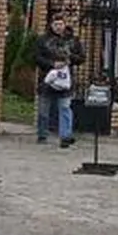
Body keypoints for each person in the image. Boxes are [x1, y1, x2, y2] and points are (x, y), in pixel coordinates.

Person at [33, 15, 84, 149]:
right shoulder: (43, 40)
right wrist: (52, 64)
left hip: (65, 80)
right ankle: (42, 134)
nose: (58, 27)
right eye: (55, 24)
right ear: (51, 25)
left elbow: (81, 58)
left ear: (64, 25)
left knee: (65, 108)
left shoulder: (72, 41)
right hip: (47, 80)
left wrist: (70, 58)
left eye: (60, 24)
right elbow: (36, 57)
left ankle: (65, 136)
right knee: (44, 110)